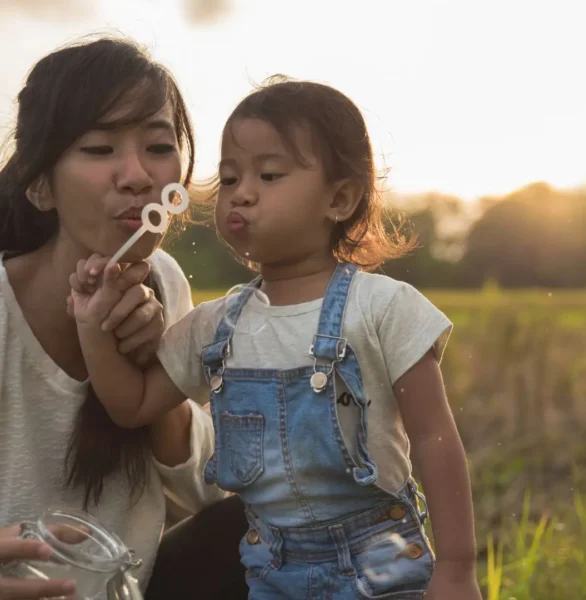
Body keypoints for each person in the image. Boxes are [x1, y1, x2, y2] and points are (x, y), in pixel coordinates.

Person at [70, 77, 482, 599]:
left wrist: (457, 569)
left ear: (340, 198)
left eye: (269, 175)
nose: (241, 192)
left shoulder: (383, 307)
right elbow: (134, 404)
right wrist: (92, 325)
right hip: (270, 569)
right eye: (229, 177)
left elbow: (434, 439)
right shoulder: (216, 325)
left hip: (382, 561)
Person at [0, 37, 248, 600]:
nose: (136, 175)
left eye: (158, 146)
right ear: (40, 185)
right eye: (98, 148)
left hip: (126, 589)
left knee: (261, 531)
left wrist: (152, 379)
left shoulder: (162, 280)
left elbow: (207, 494)